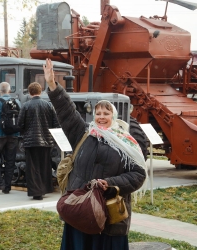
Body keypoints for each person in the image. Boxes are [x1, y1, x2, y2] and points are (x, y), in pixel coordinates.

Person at [43, 58, 148, 250]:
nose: (101, 117)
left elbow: (138, 175)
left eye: (106, 114)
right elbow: (66, 111)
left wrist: (110, 184)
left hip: (109, 215)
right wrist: (52, 85)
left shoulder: (126, 142)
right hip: (81, 210)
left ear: (113, 117)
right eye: (98, 113)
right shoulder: (83, 133)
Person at [17, 82, 60, 200]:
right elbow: (56, 123)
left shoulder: (25, 106)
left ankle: (37, 192)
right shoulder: (48, 105)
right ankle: (45, 189)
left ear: (30, 92)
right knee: (44, 166)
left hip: (31, 141)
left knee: (33, 167)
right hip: (46, 141)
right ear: (40, 91)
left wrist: (24, 133)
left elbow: (20, 124)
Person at [0, 82, 21, 194]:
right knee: (10, 161)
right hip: (13, 135)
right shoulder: (17, 102)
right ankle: (7, 187)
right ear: (9, 91)